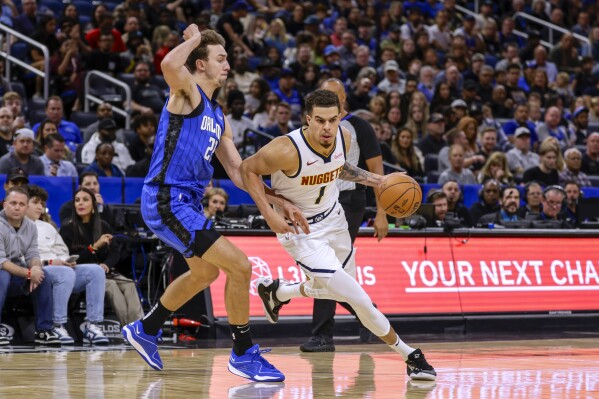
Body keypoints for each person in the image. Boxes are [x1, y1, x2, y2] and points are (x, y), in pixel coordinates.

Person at [121, 26, 307, 381]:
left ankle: (146, 328)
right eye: (221, 58)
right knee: (239, 267)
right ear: (201, 64)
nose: (228, 65)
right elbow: (168, 64)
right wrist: (194, 39)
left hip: (186, 203)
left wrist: (277, 200)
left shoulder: (219, 117)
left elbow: (239, 173)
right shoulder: (186, 92)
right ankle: (243, 352)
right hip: (165, 198)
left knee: (205, 272)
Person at [241, 89, 436, 381]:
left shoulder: (343, 137)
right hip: (303, 233)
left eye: (333, 120)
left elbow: (337, 167)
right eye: (320, 121)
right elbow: (246, 170)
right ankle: (410, 355)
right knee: (358, 297)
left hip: (335, 221)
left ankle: (278, 292)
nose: (327, 128)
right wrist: (271, 211)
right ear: (308, 119)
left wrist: (377, 180)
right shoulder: (285, 149)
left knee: (337, 289)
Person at [298, 79, 389, 352]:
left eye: (334, 97)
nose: (329, 100)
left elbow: (377, 171)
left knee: (327, 266)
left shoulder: (359, 127)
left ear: (344, 98)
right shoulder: (313, 128)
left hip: (349, 202)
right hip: (318, 203)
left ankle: (323, 335)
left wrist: (382, 213)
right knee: (325, 268)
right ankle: (368, 312)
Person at [26, 185, 109, 345]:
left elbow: (62, 250)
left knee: (96, 271)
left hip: (62, 268)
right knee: (65, 273)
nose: (40, 207)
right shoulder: (18, 226)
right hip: (41, 269)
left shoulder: (48, 227)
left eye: (42, 204)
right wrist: (51, 262)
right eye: (36, 203)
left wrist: (66, 260)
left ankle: (93, 325)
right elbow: (20, 257)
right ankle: (57, 325)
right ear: (25, 203)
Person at [59, 187, 143, 328]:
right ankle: (127, 328)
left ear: (93, 205)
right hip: (83, 273)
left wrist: (107, 264)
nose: (80, 203)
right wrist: (94, 247)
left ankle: (139, 327)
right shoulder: (67, 228)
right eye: (77, 200)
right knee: (112, 287)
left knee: (129, 285)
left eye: (85, 200)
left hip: (106, 270)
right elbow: (72, 259)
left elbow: (115, 252)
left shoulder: (103, 226)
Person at [0, 187, 60, 345]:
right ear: (4, 204)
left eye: (21, 204)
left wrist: (36, 269)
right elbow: (2, 262)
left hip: (15, 275)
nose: (17, 207)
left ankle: (43, 330)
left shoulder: (31, 226)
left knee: (43, 275)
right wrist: (28, 273)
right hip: (3, 273)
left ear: (26, 208)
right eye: (13, 203)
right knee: (2, 274)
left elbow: (33, 254)